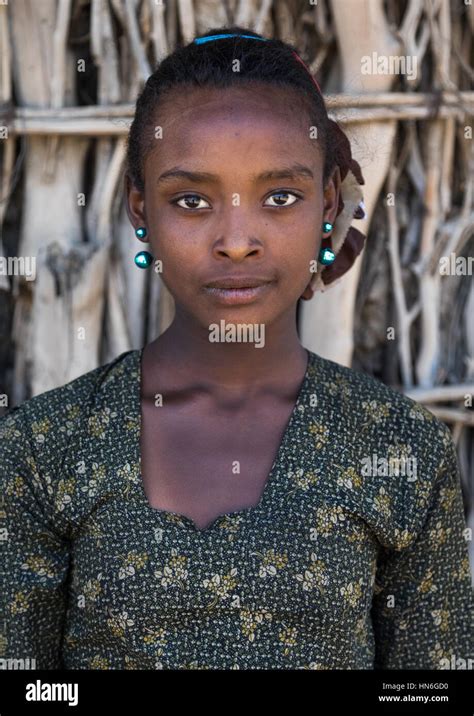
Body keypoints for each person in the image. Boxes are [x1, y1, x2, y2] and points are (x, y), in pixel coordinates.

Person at [1, 26, 472, 671]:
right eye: (191, 200)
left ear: (328, 205)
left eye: (280, 197)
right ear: (141, 210)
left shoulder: (400, 449)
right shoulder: (42, 449)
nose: (237, 241)